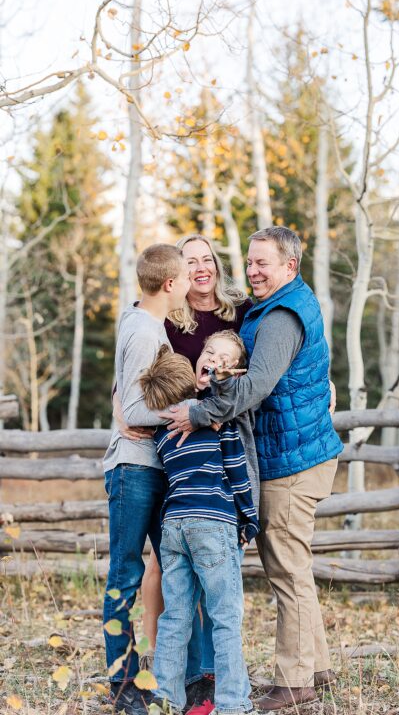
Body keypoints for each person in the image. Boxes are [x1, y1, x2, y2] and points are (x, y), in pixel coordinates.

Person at [159, 226, 343, 712]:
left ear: (290, 267)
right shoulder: (271, 304)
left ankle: (295, 679)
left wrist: (198, 413)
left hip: (294, 458)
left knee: (286, 568)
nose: (253, 270)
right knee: (291, 563)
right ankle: (315, 666)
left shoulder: (282, 314)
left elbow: (258, 384)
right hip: (293, 450)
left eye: (264, 263)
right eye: (250, 261)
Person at [116, 234, 253, 712]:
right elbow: (138, 381)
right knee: (220, 608)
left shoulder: (240, 312)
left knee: (185, 605)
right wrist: (247, 520)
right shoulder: (166, 325)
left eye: (206, 259)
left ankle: (177, 692)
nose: (200, 267)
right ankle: (228, 698)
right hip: (207, 511)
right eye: (189, 260)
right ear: (176, 274)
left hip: (180, 509)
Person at [138, 343, 258, 715]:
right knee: (224, 617)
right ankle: (233, 704)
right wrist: (250, 518)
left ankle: (166, 700)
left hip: (174, 526)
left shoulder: (163, 436)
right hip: (212, 522)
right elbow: (238, 472)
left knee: (175, 617)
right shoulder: (218, 425)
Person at [101, 244, 191, 715]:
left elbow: (127, 392)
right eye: (186, 277)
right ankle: (122, 688)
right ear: (170, 284)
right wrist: (188, 410)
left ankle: (169, 678)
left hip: (153, 466)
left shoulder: (143, 322)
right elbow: (135, 410)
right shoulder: (144, 330)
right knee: (125, 575)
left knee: (174, 568)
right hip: (134, 467)